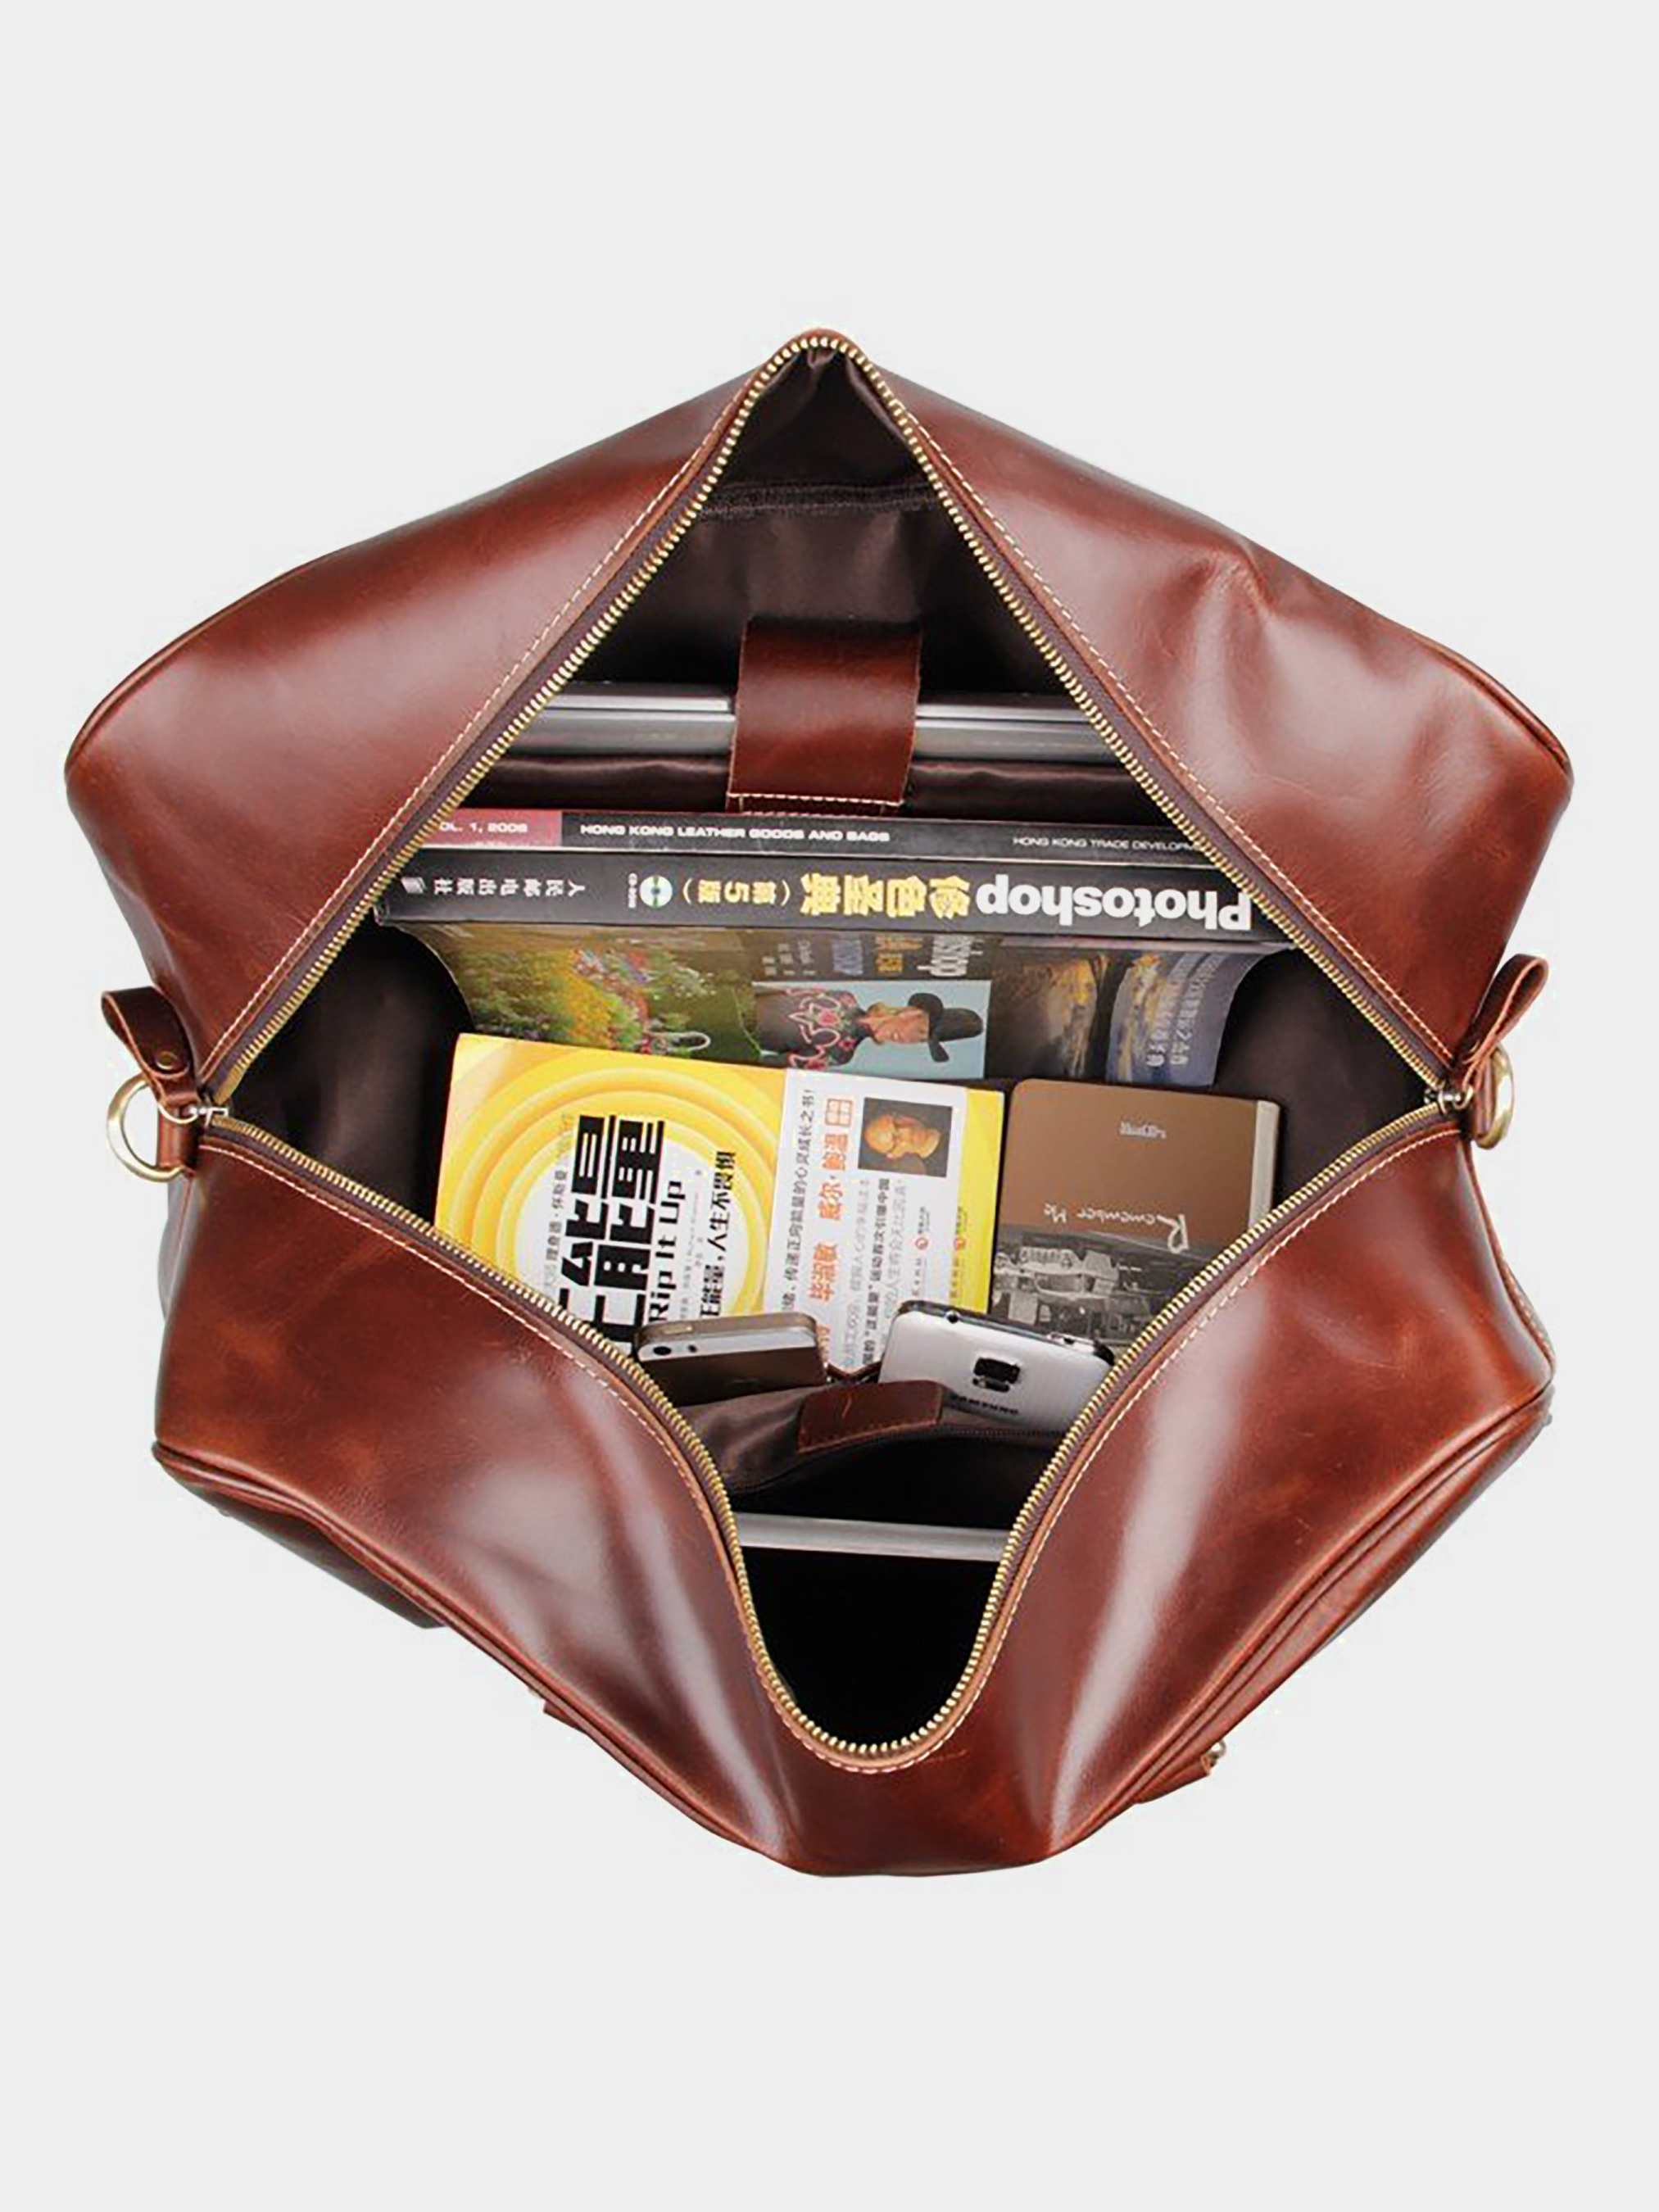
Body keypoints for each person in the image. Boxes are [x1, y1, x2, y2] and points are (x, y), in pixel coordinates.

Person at [752, 986, 983, 1071]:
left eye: (919, 1042)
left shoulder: (840, 1053)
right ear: (912, 1013)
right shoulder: (843, 998)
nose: (908, 1040)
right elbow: (778, 992)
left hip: (735, 1037)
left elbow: (765, 1064)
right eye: (919, 1032)